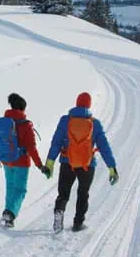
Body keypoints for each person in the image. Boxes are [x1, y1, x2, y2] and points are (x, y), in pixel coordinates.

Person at [44, 92, 119, 233]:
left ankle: (59, 211)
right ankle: (78, 223)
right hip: (87, 165)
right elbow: (104, 147)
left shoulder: (65, 121)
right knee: (83, 193)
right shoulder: (95, 123)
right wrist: (112, 167)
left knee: (63, 193)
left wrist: (50, 163)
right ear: (89, 105)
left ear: (76, 103)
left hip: (67, 162)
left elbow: (56, 143)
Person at [0, 93, 50, 227]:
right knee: (20, 190)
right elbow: (31, 148)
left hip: (7, 160)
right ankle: (11, 213)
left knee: (10, 187)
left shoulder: (3, 124)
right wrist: (40, 165)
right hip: (22, 162)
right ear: (22, 109)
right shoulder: (26, 125)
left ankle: (8, 211)